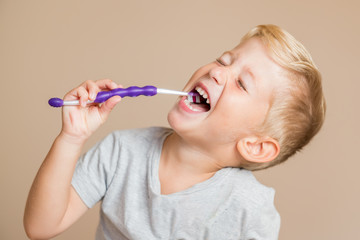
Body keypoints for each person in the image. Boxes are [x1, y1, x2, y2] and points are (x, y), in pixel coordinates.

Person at [24, 24, 326, 240]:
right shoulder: (121, 151)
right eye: (224, 60)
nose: (217, 71)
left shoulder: (249, 209)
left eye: (242, 83)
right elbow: (40, 227)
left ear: (256, 146)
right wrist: (72, 137)